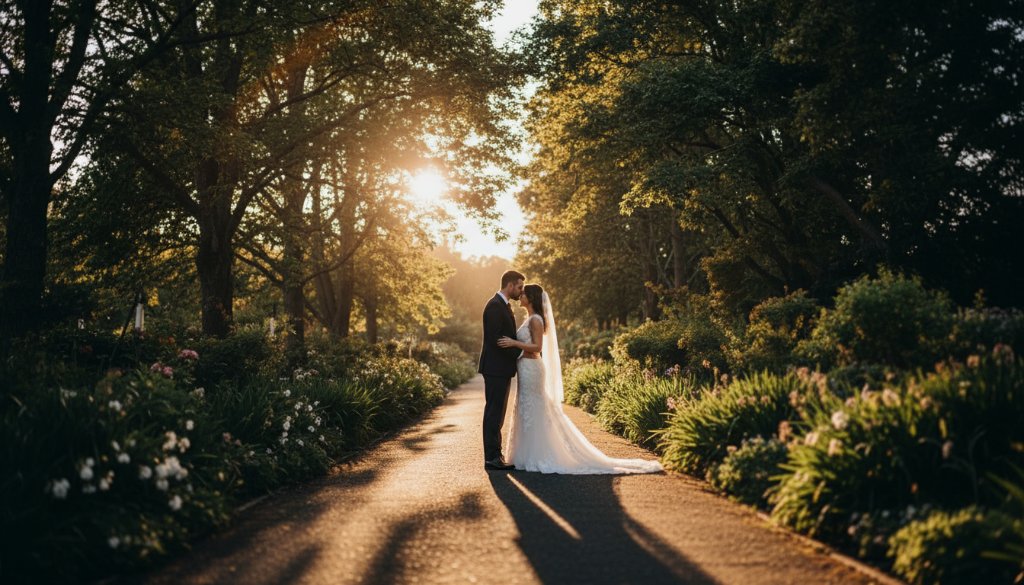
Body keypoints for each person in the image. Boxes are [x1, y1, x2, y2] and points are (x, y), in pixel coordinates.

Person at [497, 284, 663, 474]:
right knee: (527, 406)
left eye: (524, 293)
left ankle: (541, 454)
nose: (521, 295)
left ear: (532, 298)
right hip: (525, 368)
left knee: (535, 406)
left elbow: (537, 347)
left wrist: (512, 343)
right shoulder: (529, 319)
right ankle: (526, 454)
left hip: (532, 368)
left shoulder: (536, 320)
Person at [478, 270, 525, 470]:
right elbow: (496, 339)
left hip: (500, 368)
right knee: (493, 413)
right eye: (520, 287)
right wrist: (519, 354)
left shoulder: (503, 305)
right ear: (510, 285)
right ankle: (491, 458)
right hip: (496, 368)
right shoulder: (495, 306)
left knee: (497, 412)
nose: (521, 291)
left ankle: (495, 454)